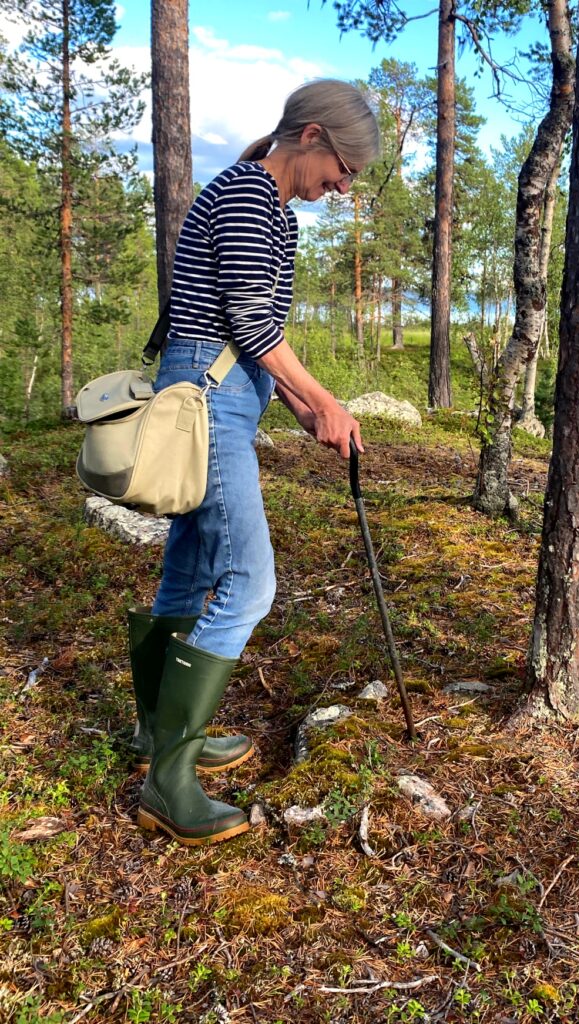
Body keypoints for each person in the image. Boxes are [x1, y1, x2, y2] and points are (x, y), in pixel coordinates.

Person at [130, 80, 380, 846]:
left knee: (191, 566)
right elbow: (244, 316)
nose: (341, 187)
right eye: (341, 169)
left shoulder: (272, 211)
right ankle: (168, 782)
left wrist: (304, 408)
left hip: (232, 393)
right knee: (250, 579)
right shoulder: (244, 193)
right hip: (208, 399)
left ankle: (162, 732)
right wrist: (323, 395)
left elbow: (258, 328)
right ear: (310, 135)